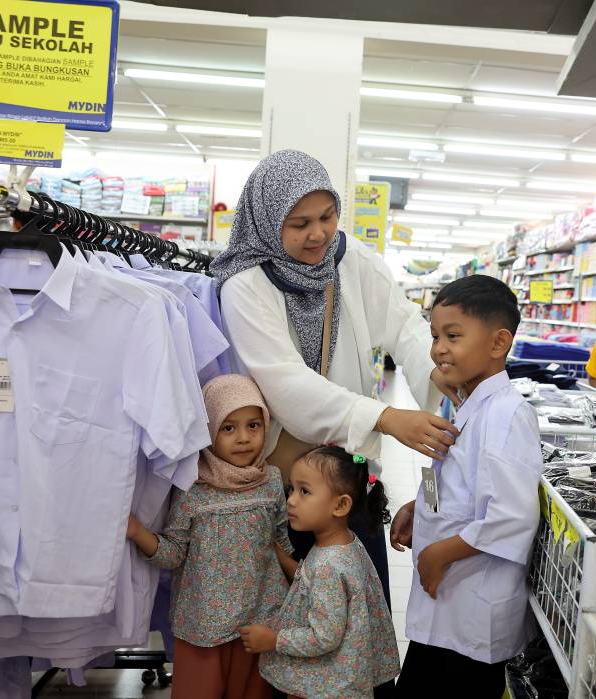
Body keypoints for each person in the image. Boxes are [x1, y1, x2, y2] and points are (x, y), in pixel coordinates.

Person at [211, 150, 461, 601]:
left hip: (347, 474)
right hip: (284, 483)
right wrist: (384, 417)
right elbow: (284, 382)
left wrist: (445, 370)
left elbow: (403, 323)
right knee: (293, 612)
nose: (319, 233)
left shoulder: (350, 258)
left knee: (358, 610)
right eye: (299, 223)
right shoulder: (245, 284)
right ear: (267, 221)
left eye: (328, 216)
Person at [389, 275, 544, 698]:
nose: (439, 347)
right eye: (436, 334)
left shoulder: (507, 414)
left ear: (498, 343)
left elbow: (512, 514)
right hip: (449, 609)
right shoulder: (468, 402)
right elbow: (465, 484)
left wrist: (440, 553)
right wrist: (418, 506)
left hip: (472, 611)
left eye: (453, 336)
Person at [125, 374, 293, 699]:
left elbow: (279, 542)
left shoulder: (271, 480)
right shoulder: (193, 487)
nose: (243, 438)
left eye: (253, 425)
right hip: (201, 627)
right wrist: (137, 533)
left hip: (257, 625)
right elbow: (174, 553)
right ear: (209, 428)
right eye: (228, 428)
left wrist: (307, 580)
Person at [239, 447, 400, 699]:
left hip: (326, 686)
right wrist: (280, 555)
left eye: (305, 491)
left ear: (340, 505)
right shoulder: (347, 544)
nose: (291, 500)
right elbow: (311, 582)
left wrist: (273, 640)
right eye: (291, 489)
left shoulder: (328, 565)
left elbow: (324, 637)